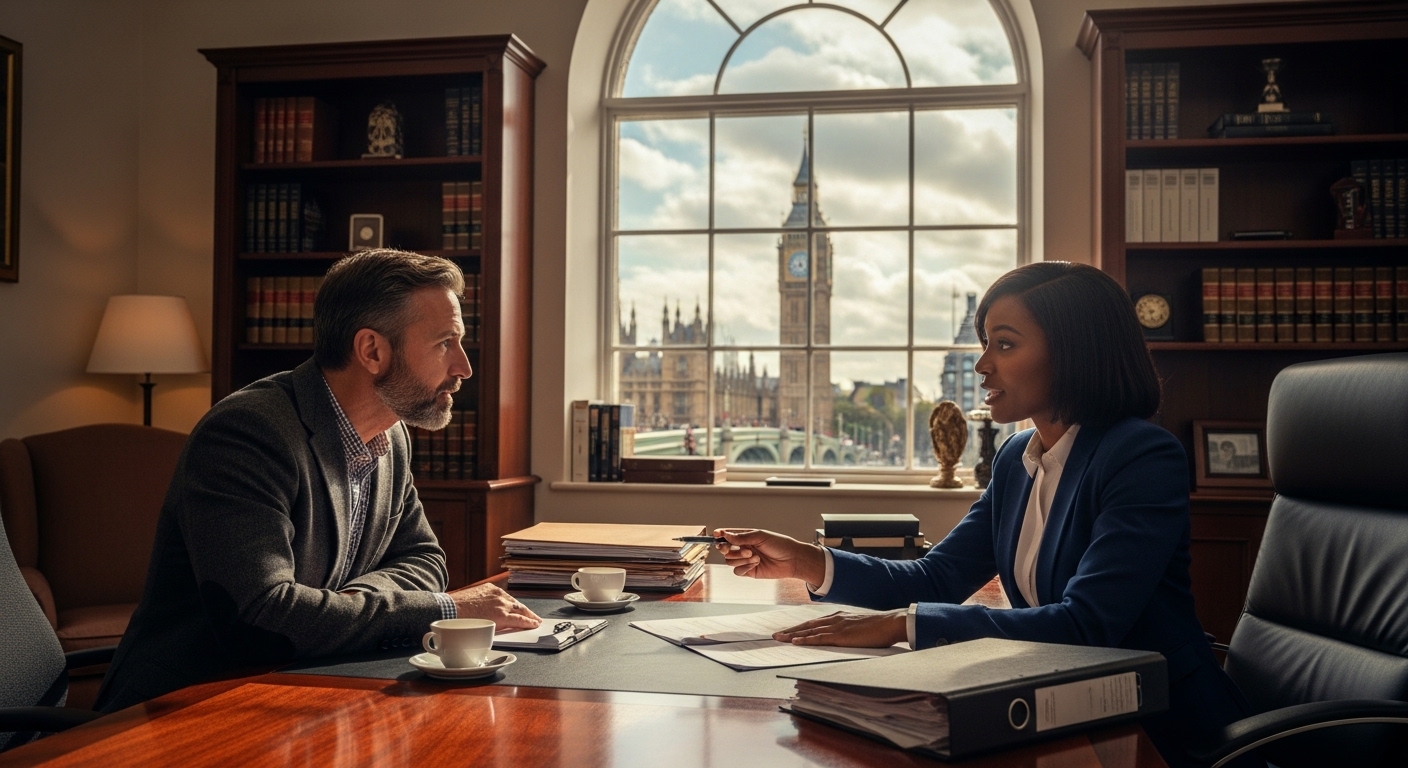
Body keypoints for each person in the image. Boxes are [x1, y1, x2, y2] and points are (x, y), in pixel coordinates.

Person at [716, 262, 1260, 768]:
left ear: (1072, 352)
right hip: (1059, 713)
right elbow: (937, 577)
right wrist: (807, 562)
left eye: (1004, 344)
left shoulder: (1141, 456)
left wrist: (901, 624)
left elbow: (1086, 625)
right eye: (985, 343)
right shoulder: (1016, 457)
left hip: (1161, 734)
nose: (981, 365)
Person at [96, 249, 540, 712]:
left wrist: (338, 606)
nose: (464, 367)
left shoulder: (391, 436)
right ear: (372, 351)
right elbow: (265, 618)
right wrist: (445, 609)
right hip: (186, 707)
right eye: (445, 343)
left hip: (308, 687)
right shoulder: (248, 433)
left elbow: (424, 560)